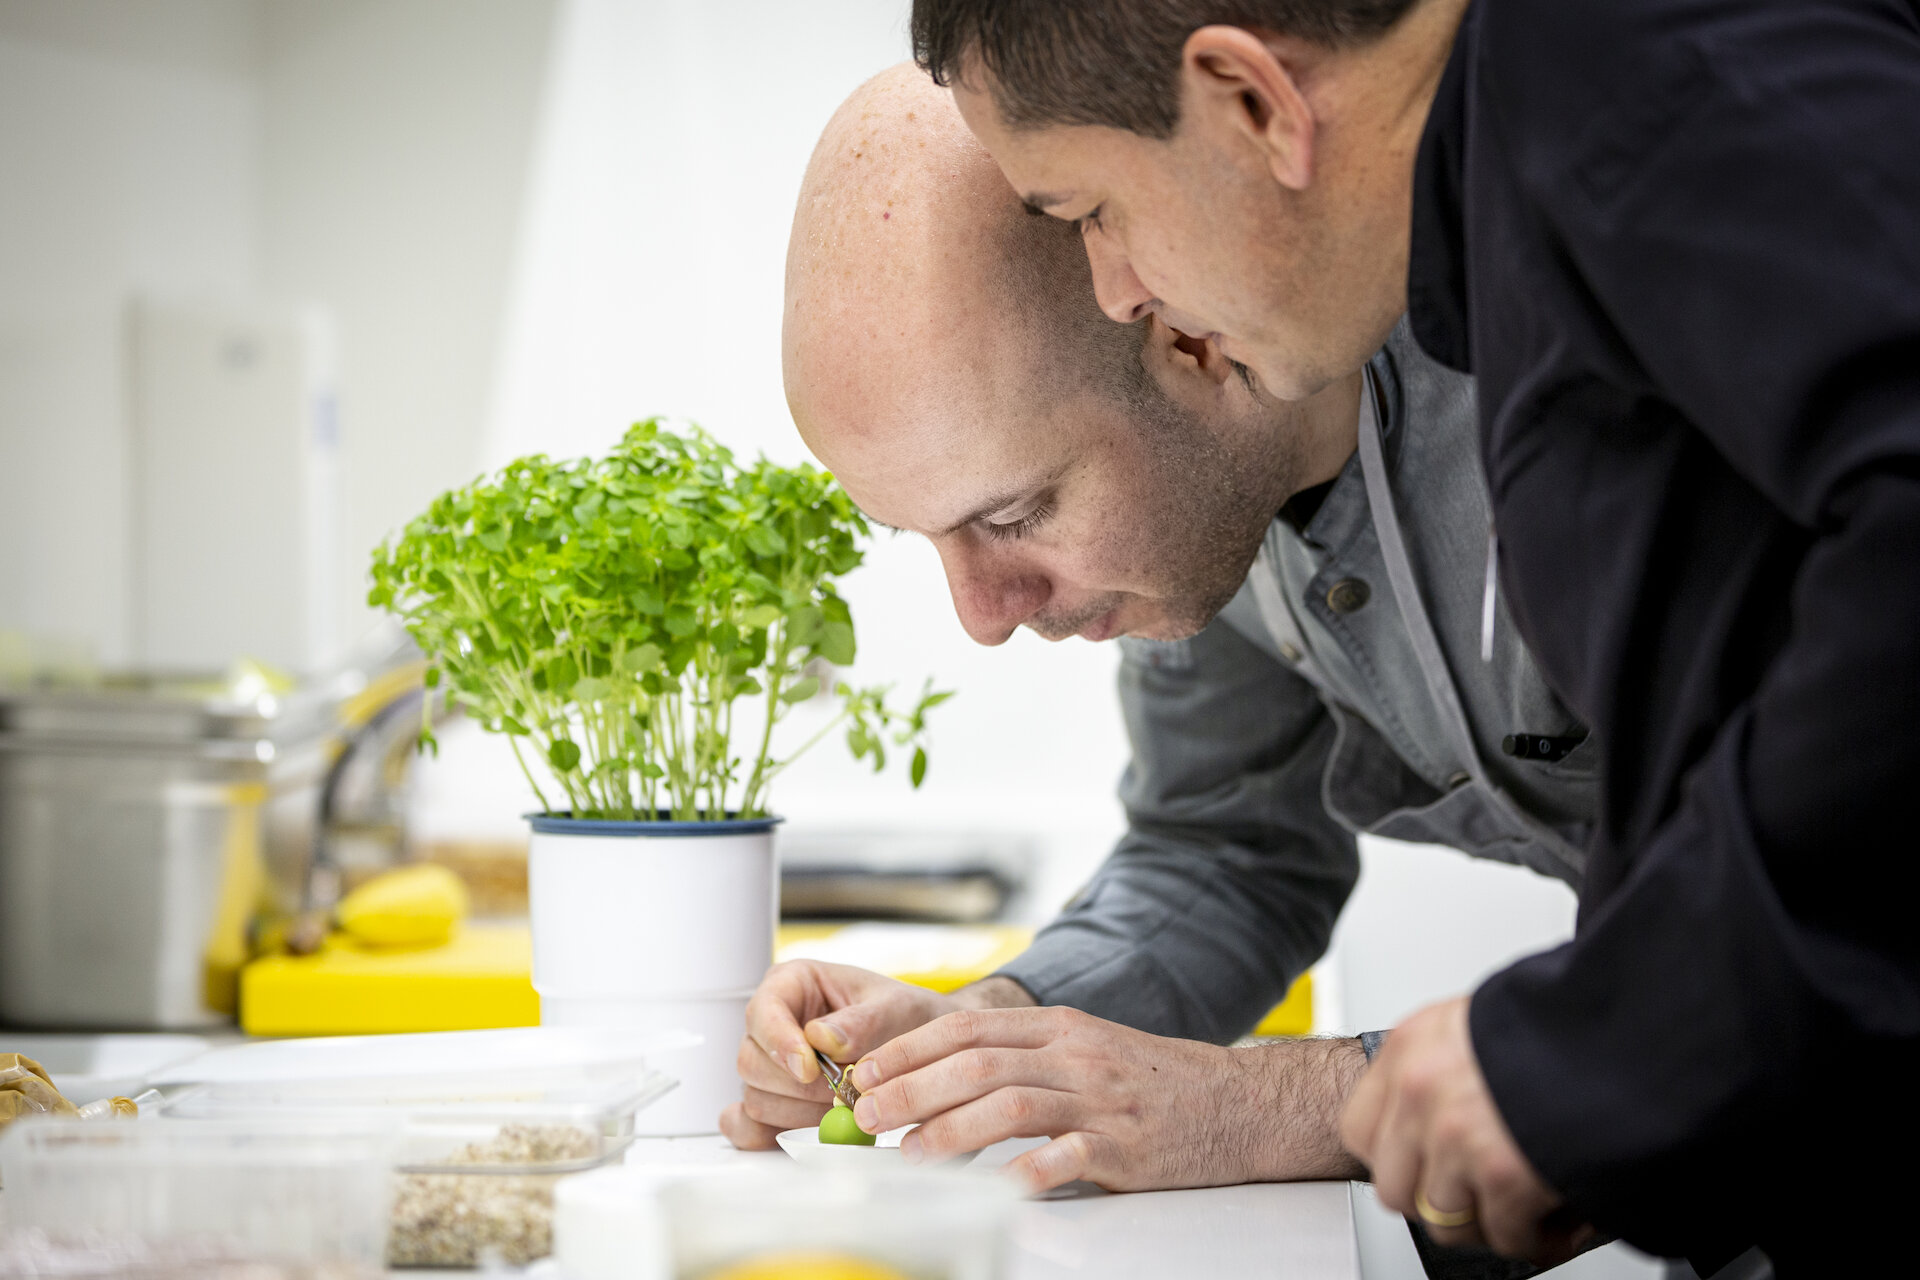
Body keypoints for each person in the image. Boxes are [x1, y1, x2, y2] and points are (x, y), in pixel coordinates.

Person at [906, 0, 1920, 1274]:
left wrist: (1591, 1046)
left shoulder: (1633, 78)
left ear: (1251, 101)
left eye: (1092, 212)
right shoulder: (1519, 204)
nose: (1118, 292)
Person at [735, 67, 1602, 1270]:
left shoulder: (1573, 397)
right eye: (923, 537)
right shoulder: (1209, 519)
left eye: (1015, 512)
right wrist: (992, 1031)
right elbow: (1227, 850)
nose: (981, 616)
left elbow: (1772, 931)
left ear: (1183, 324)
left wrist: (1257, 1105)